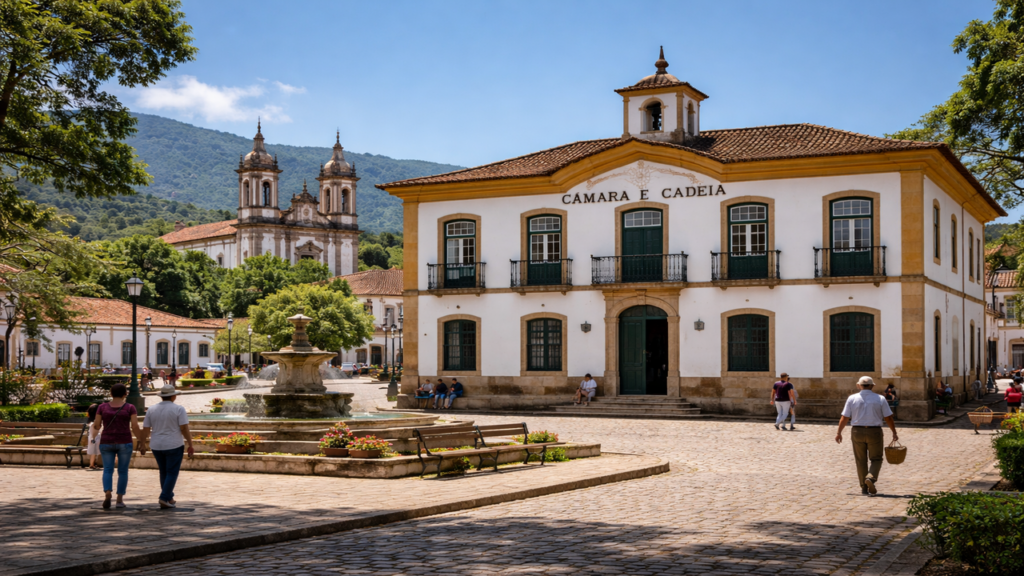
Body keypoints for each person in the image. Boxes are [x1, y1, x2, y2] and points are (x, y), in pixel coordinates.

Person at [835, 376, 898, 496]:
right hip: (874, 432)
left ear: (859, 385)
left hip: (857, 431)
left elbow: (844, 417)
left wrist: (839, 433)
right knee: (876, 458)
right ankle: (871, 477)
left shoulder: (852, 398)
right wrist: (894, 432)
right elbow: (888, 417)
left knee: (860, 460)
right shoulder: (880, 398)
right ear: (872, 386)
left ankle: (863, 487)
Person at [141, 384, 194, 509]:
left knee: (163, 471)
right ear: (173, 396)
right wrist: (190, 444)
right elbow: (184, 428)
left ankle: (169, 497)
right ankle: (164, 497)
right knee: (172, 472)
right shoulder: (178, 409)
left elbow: (146, 428)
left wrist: (142, 443)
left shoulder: (151, 409)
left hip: (156, 444)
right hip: (173, 443)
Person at [92, 384, 144, 509]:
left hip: (106, 441)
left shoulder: (102, 407)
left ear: (111, 394)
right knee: (123, 471)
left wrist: (95, 432)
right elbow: (135, 426)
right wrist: (141, 440)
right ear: (125, 394)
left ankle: (108, 493)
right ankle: (119, 500)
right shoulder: (130, 407)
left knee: (108, 470)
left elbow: (97, 425)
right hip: (124, 441)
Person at [86, 403, 101, 470]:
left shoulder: (90, 422)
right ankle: (93, 464)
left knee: (93, 452)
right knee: (95, 452)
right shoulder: (97, 422)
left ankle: (92, 464)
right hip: (97, 438)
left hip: (91, 438)